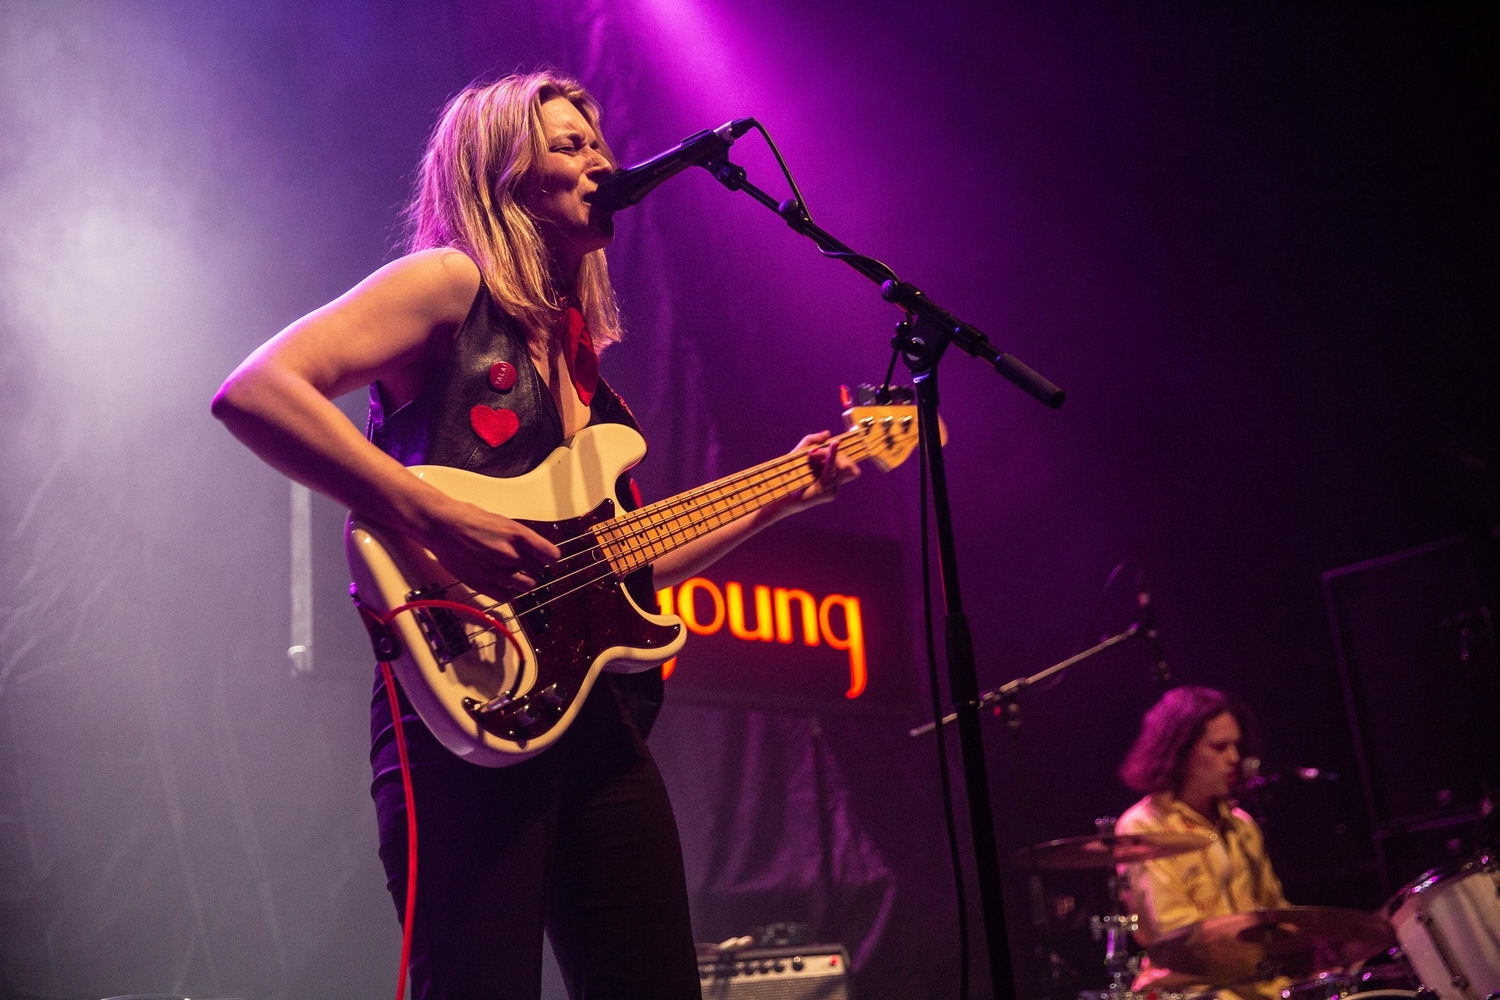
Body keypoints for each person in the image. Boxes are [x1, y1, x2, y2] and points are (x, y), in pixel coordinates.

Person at [211, 70, 858, 1000]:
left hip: (596, 731)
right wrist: (432, 512)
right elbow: (257, 391)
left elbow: (618, 568)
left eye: (598, 139)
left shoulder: (581, 356)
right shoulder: (447, 283)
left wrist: (786, 493)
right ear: (503, 172)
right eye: (569, 144)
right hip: (461, 707)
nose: (601, 157)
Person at [1115, 686, 1289, 1000]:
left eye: (1236, 745)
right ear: (1178, 753)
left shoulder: (1243, 826)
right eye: (1219, 747)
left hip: (1262, 988)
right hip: (1196, 993)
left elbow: (1276, 913)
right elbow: (1175, 936)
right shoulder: (1143, 827)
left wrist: (1328, 941)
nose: (1235, 758)